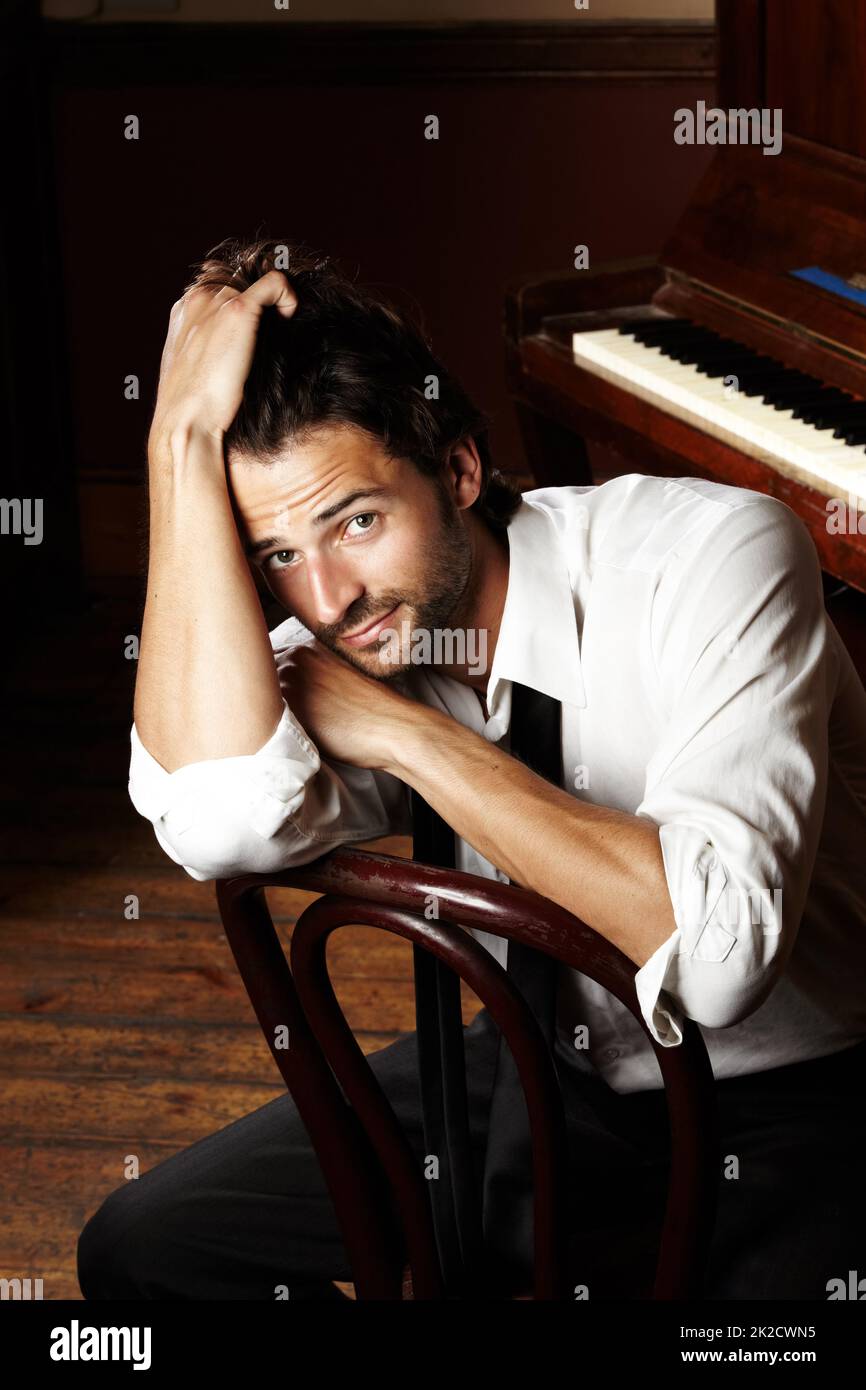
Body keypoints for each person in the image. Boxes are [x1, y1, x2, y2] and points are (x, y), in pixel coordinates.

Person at [77, 237, 866, 1301]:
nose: (326, 597)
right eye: (275, 554)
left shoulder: (713, 557)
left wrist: (413, 739)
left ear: (455, 469)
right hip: (542, 1063)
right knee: (148, 1245)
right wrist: (178, 440)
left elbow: (720, 964)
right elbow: (217, 823)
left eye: (355, 521)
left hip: (797, 1096)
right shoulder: (354, 641)